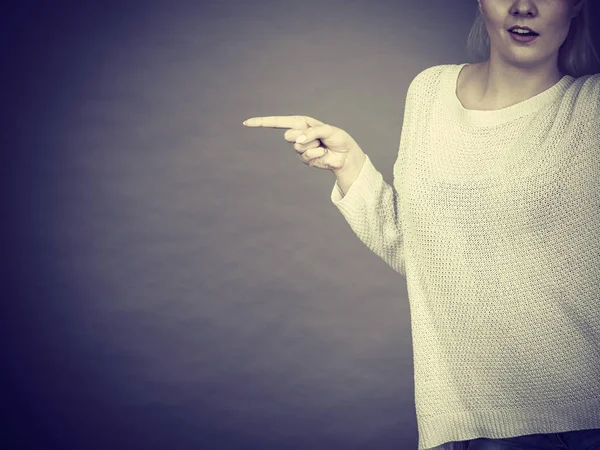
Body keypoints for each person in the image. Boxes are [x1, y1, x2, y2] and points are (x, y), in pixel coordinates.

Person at [243, 0, 600, 448]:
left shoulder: (590, 107)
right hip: (462, 420)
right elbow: (425, 254)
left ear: (576, 6)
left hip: (584, 420)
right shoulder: (430, 92)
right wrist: (350, 163)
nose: (523, 7)